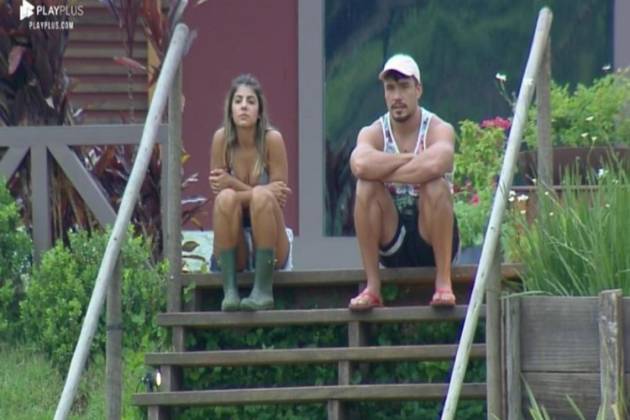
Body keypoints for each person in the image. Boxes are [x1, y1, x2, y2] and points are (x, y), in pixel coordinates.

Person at [348, 54, 460, 311]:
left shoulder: (439, 128)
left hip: (432, 238)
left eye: (404, 87)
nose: (397, 96)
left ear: (418, 89)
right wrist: (410, 160)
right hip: (393, 240)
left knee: (435, 184)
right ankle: (372, 287)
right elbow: (361, 164)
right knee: (365, 185)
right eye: (390, 88)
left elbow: (437, 163)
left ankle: (444, 283)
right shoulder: (372, 132)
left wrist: (383, 170)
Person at [209, 74, 292, 311]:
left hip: (270, 238)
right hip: (234, 238)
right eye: (238, 101)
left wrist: (233, 184)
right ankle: (230, 292)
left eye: (250, 101)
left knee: (261, 198)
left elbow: (277, 199)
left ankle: (263, 291)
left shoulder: (272, 140)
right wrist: (258, 190)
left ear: (259, 110)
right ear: (230, 109)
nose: (244, 106)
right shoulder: (221, 140)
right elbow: (221, 197)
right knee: (226, 199)